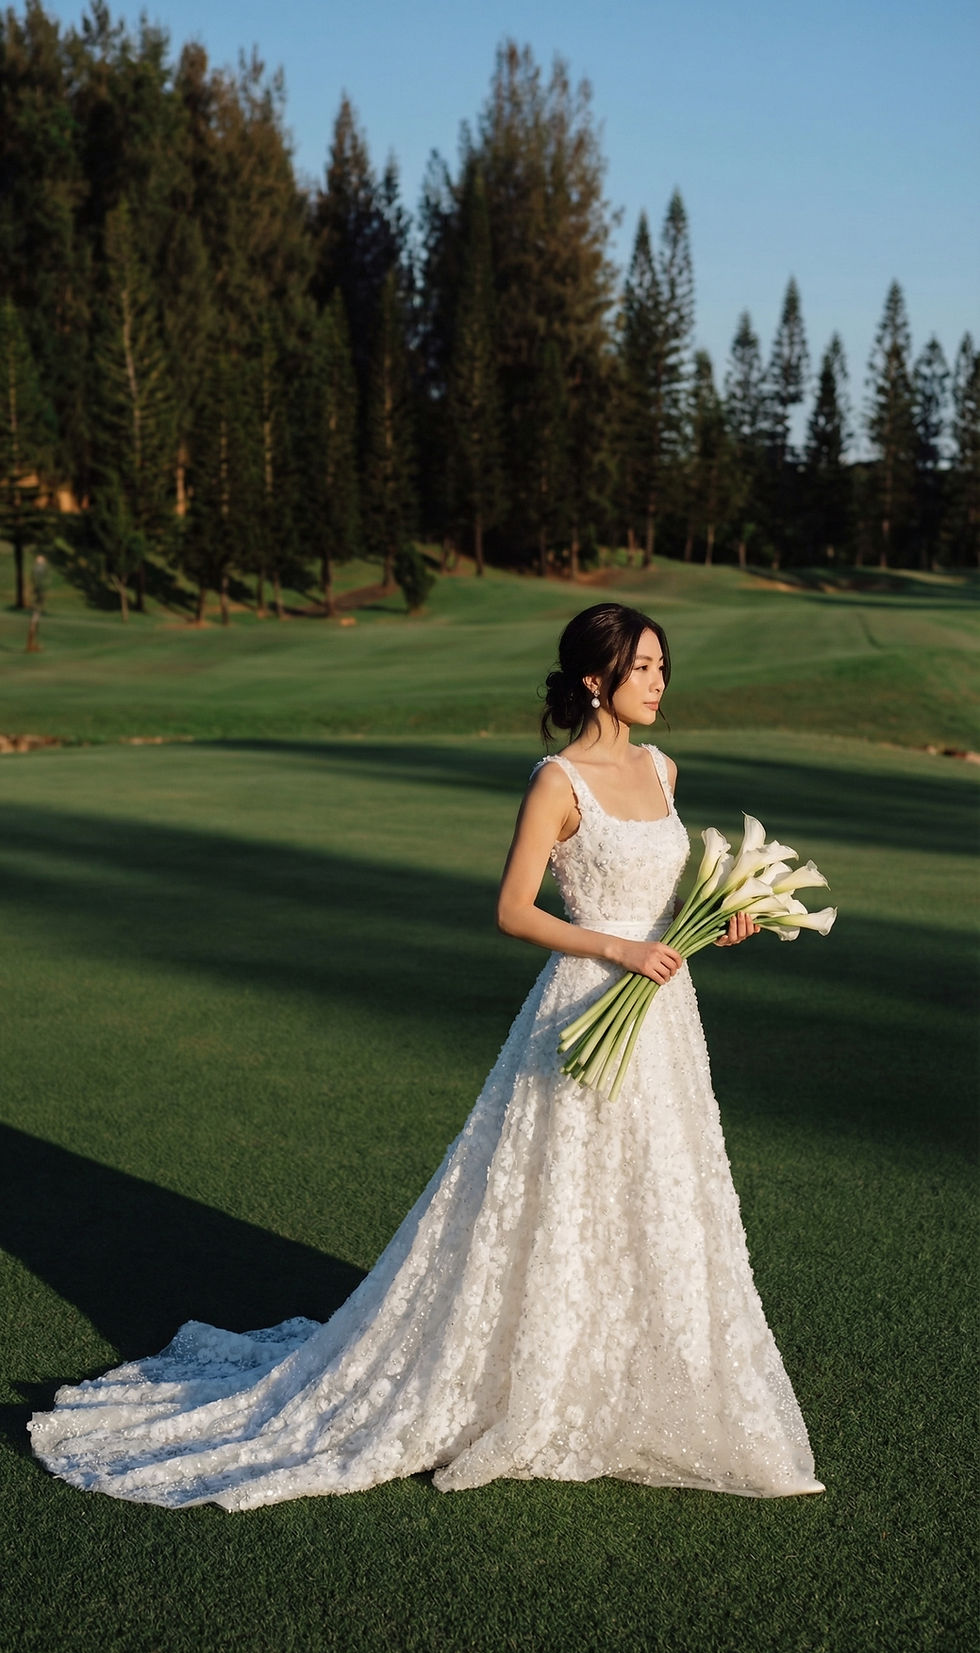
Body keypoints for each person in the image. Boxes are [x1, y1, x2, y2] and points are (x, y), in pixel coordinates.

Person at [30, 602, 823, 1508]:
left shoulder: (664, 768)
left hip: (663, 1011)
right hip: (586, 1000)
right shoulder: (559, 781)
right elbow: (515, 910)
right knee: (557, 1187)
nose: (658, 680)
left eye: (662, 665)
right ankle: (528, 1375)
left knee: (660, 1186)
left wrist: (716, 924)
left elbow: (660, 905)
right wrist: (617, 950)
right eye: (641, 666)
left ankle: (631, 1371)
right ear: (595, 679)